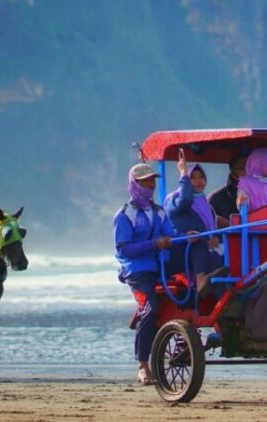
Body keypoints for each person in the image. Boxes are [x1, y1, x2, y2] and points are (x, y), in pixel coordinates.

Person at [114, 162, 186, 386]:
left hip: (159, 268)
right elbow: (123, 248)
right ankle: (142, 364)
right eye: (145, 181)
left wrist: (188, 237)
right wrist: (155, 245)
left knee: (188, 297)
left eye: (152, 180)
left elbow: (171, 238)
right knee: (150, 309)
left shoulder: (158, 211)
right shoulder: (126, 214)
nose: (150, 185)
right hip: (136, 271)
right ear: (134, 184)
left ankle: (184, 343)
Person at [164, 152, 225, 295]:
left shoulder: (205, 204)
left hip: (205, 251)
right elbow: (185, 201)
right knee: (199, 241)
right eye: (193, 178)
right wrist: (184, 172)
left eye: (201, 177)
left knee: (222, 261)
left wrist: (216, 238)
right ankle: (200, 279)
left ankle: (222, 305)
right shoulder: (174, 200)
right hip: (182, 250)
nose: (198, 181)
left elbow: (212, 228)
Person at [208, 154, 247, 228]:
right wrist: (227, 224)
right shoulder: (215, 197)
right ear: (232, 170)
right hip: (226, 238)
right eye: (241, 168)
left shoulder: (263, 193)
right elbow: (205, 223)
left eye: (249, 167)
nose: (246, 171)